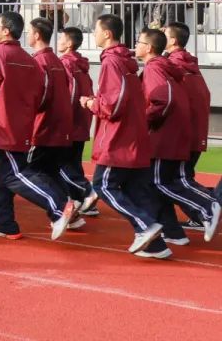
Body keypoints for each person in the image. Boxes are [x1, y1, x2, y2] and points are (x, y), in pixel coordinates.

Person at [0, 12, 75, 240]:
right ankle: (4, 224)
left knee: (13, 174)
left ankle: (58, 206)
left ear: (6, 30)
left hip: (4, 124)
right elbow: (40, 94)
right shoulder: (30, 59)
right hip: (23, 123)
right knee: (0, 174)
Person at [79, 15, 169, 258]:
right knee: (138, 190)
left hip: (117, 138)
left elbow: (113, 104)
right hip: (133, 136)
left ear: (107, 33)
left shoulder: (112, 62)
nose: (94, 34)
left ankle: (146, 226)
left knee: (103, 185)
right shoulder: (126, 62)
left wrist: (90, 103)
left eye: (96, 30)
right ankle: (157, 245)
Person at [137, 28, 219, 246]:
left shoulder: (161, 67)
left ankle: (209, 205)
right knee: (172, 180)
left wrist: (143, 122)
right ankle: (173, 231)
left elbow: (163, 100)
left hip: (169, 134)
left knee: (161, 182)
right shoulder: (184, 67)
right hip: (186, 133)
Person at [25, 18, 82, 213]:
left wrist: (28, 114)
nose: (27, 35)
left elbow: (41, 96)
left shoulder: (40, 61)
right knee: (51, 171)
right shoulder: (56, 60)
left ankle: (61, 208)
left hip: (43, 127)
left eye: (29, 31)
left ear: (37, 35)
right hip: (57, 126)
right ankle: (70, 211)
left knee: (25, 172)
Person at [164, 23, 212, 209]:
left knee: (177, 180)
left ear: (173, 40)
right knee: (181, 178)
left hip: (183, 134)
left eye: (165, 34)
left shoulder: (174, 66)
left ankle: (209, 207)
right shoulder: (190, 65)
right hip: (195, 131)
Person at [56, 27, 97, 214]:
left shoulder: (66, 63)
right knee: (73, 164)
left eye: (62, 38)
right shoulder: (81, 65)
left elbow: (70, 93)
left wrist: (63, 118)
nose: (58, 41)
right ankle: (84, 201)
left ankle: (87, 191)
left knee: (60, 164)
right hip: (81, 121)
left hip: (69, 122)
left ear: (69, 43)